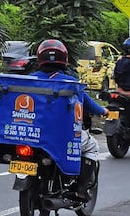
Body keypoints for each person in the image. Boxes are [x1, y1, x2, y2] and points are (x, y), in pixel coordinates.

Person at [34, 39, 108, 201]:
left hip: (32, 135)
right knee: (92, 146)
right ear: (64, 60)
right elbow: (91, 106)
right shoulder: (70, 83)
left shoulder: (29, 80)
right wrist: (104, 111)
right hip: (61, 137)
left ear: (40, 58)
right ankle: (81, 190)